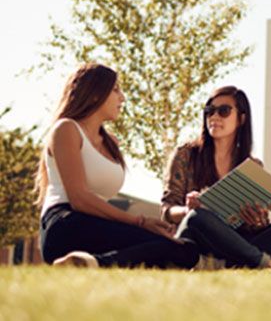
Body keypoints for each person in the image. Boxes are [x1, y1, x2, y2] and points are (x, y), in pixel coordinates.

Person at [37, 63, 199, 269]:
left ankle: (90, 263)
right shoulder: (66, 129)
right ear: (95, 93)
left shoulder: (110, 143)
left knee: (186, 250)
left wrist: (143, 226)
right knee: (170, 249)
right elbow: (79, 199)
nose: (122, 98)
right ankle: (90, 262)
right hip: (65, 223)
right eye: (115, 90)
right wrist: (139, 222)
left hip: (97, 225)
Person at [162, 86, 271, 269]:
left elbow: (269, 203)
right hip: (198, 237)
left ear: (241, 118)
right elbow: (167, 210)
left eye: (223, 111)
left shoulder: (252, 165)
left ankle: (222, 264)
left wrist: (258, 217)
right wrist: (187, 210)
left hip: (234, 241)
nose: (214, 117)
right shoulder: (185, 154)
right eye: (209, 111)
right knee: (198, 217)